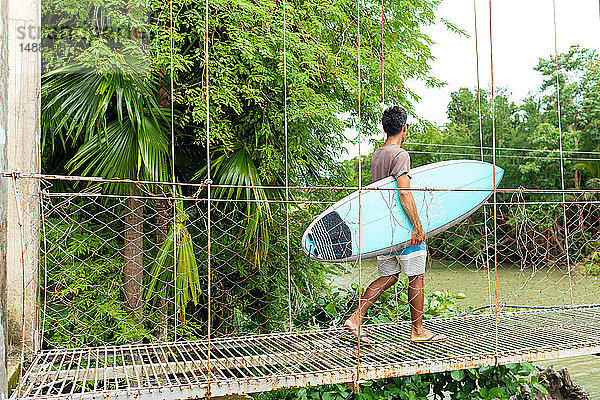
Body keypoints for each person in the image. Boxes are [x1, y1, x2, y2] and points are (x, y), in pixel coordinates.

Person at [343, 105, 446, 345]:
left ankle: (356, 318)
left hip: (385, 231)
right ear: (404, 128)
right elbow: (404, 193)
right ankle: (418, 330)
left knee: (389, 276)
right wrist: (417, 226)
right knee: (416, 276)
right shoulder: (400, 155)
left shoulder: (377, 155)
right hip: (402, 228)